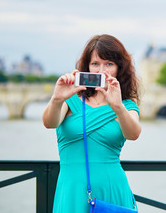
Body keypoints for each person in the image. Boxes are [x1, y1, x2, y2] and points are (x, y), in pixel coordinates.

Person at [42, 34, 141, 213]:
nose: (101, 70)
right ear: (87, 66)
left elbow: (133, 134)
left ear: (119, 68)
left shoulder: (125, 106)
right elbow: (50, 122)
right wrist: (57, 99)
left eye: (109, 64)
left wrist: (117, 106)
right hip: (72, 190)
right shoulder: (71, 98)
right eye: (95, 64)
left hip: (111, 190)